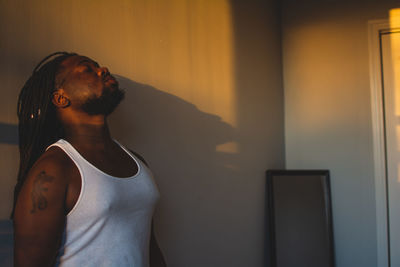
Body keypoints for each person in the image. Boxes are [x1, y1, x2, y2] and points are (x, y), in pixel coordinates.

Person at [12, 52, 167, 267]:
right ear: (60, 97)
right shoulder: (53, 169)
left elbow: (148, 247)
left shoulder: (137, 162)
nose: (103, 70)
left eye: (99, 66)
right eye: (87, 69)